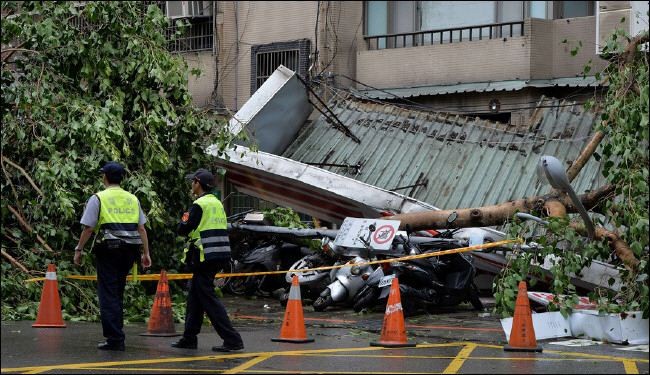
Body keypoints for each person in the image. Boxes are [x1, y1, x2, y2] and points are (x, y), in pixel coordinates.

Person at [73, 161, 151, 351]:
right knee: (117, 292)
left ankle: (115, 339)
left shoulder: (98, 198)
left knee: (108, 294)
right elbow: (141, 228)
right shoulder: (133, 198)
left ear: (105, 177)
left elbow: (89, 227)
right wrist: (146, 253)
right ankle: (117, 335)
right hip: (130, 251)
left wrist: (79, 249)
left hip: (109, 249)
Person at [171, 168, 244, 352]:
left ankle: (232, 339)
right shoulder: (217, 203)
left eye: (192, 182)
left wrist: (183, 220)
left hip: (203, 257)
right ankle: (189, 338)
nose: (191, 185)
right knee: (195, 297)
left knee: (208, 299)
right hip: (217, 255)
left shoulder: (199, 205)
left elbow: (183, 229)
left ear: (197, 183)